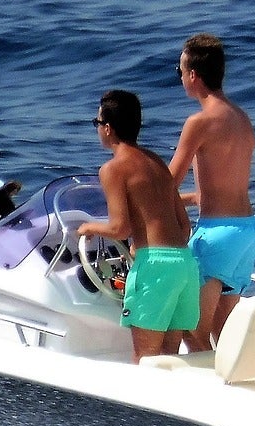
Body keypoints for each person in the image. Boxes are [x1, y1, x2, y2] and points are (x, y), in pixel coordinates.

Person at [80, 90, 199, 362]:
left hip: (155, 267)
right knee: (170, 358)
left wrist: (89, 228)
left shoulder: (112, 169)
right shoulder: (156, 162)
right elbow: (184, 226)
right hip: (184, 264)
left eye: (97, 123)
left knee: (145, 357)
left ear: (108, 129)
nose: (98, 129)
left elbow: (119, 229)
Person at [168, 32, 255, 351]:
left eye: (180, 71)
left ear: (193, 76)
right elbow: (216, 188)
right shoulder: (241, 119)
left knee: (192, 331)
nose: (180, 77)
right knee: (222, 333)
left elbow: (168, 184)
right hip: (246, 232)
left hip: (217, 235)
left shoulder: (200, 122)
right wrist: (191, 198)